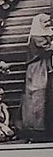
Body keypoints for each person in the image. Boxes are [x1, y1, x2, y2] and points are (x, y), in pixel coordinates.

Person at [25, 11, 53, 140]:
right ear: (39, 24)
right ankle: (36, 129)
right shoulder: (37, 37)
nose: (48, 23)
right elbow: (47, 49)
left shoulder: (45, 34)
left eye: (49, 21)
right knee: (38, 96)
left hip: (44, 66)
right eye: (45, 22)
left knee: (45, 96)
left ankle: (45, 127)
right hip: (38, 69)